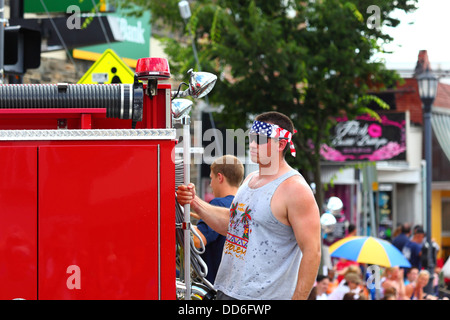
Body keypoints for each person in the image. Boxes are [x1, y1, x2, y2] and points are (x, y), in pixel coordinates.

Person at [176, 111, 321, 300]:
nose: (252, 144)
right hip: (227, 291)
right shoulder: (251, 179)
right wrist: (194, 201)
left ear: (281, 144)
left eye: (260, 139)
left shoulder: (294, 188)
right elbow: (233, 225)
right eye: (252, 138)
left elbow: (313, 251)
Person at [192, 155, 244, 284]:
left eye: (211, 178)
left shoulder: (218, 204)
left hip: (214, 285)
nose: (211, 184)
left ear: (220, 177)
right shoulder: (243, 205)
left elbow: (198, 240)